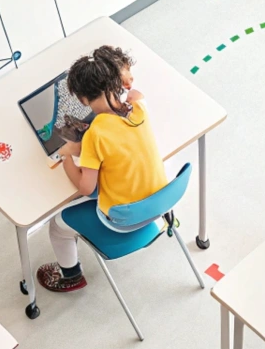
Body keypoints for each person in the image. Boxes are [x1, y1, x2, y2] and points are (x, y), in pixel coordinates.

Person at [37, 46, 167, 292]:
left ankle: (71, 276)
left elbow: (87, 188)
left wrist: (66, 156)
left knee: (58, 223)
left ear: (82, 99)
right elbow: (135, 95)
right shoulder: (139, 107)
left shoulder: (95, 134)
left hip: (122, 219)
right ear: (116, 82)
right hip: (157, 206)